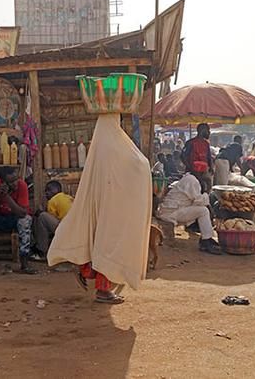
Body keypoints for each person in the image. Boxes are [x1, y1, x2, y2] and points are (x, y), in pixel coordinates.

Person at [48, 113, 151, 304]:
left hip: (99, 203)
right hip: (113, 207)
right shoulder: (117, 146)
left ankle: (84, 268)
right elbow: (138, 166)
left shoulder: (100, 147)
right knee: (109, 244)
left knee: (96, 239)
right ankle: (103, 290)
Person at [156, 172, 220, 255]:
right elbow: (199, 201)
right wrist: (207, 191)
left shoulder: (188, 178)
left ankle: (206, 238)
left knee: (202, 210)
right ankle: (206, 240)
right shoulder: (192, 181)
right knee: (204, 211)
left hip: (170, 210)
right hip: (171, 213)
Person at [34, 180, 73, 259]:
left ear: (57, 190)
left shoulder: (52, 200)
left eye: (49, 190)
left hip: (67, 230)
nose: (46, 193)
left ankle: (41, 251)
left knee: (42, 216)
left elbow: (50, 218)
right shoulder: (68, 197)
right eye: (46, 191)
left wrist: (40, 212)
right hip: (78, 229)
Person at [182, 124, 213, 191]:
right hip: (192, 172)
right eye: (208, 130)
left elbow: (208, 156)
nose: (209, 133)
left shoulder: (206, 143)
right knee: (193, 190)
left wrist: (211, 166)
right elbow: (183, 156)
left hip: (204, 171)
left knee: (207, 187)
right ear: (202, 130)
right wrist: (191, 168)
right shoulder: (190, 143)